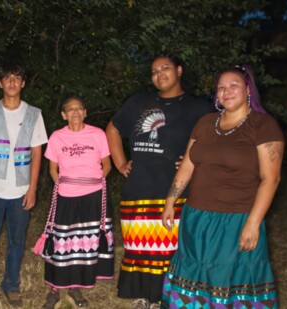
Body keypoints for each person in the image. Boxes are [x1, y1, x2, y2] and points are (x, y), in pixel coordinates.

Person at [161, 65, 283, 308]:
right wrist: (170, 201)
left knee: (226, 278)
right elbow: (187, 165)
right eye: (221, 87)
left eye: (234, 85)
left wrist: (253, 223)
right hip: (196, 217)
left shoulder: (263, 126)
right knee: (193, 274)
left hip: (235, 220)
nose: (227, 91)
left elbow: (271, 179)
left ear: (248, 89)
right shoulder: (205, 123)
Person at [106, 54, 213, 309]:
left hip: (174, 191)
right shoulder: (138, 102)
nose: (159, 74)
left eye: (165, 68)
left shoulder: (199, 109)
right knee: (139, 248)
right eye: (154, 70)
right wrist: (121, 162)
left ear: (179, 70)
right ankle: (145, 297)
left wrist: (196, 163)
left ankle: (167, 299)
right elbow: (113, 129)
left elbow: (216, 142)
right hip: (138, 187)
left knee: (171, 249)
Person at [0, 64, 48, 307]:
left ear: (23, 83)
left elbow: (37, 153)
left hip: (21, 192)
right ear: (0, 83)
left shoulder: (34, 113)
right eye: (6, 78)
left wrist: (33, 189)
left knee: (17, 240)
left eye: (17, 78)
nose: (12, 82)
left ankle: (11, 285)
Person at [39, 96, 114, 309]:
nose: (75, 113)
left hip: (93, 195)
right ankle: (54, 289)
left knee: (83, 241)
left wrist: (95, 185)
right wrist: (64, 186)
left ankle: (75, 286)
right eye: (71, 110)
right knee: (61, 240)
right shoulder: (56, 137)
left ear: (85, 112)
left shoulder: (97, 134)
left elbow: (106, 165)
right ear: (64, 115)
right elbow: (53, 169)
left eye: (79, 109)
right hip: (66, 195)